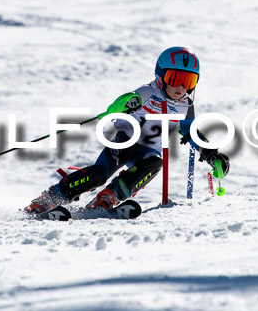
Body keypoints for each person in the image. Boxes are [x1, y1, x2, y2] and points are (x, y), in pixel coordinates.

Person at [25, 46, 231, 214]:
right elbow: (116, 107)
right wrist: (127, 103)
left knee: (154, 163)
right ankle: (48, 199)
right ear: (161, 76)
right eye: (176, 78)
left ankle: (107, 198)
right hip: (125, 141)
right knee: (99, 174)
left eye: (189, 81)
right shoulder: (148, 91)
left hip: (149, 150)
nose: (181, 88)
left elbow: (190, 131)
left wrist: (212, 154)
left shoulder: (185, 105)